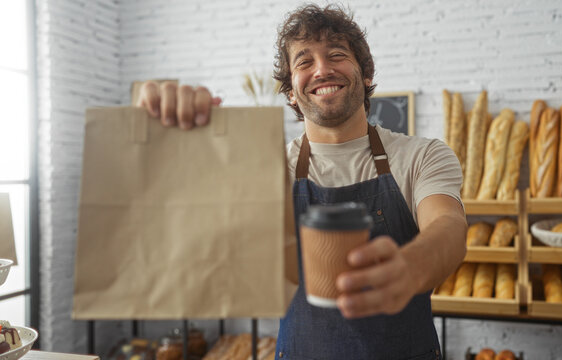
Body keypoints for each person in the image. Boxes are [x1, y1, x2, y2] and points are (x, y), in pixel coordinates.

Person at [137, 4, 466, 359]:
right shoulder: (268, 168)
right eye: (304, 62)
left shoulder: (422, 155)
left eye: (336, 55)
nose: (322, 69)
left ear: (366, 73)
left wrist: (411, 266)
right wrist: (171, 142)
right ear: (291, 92)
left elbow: (448, 227)